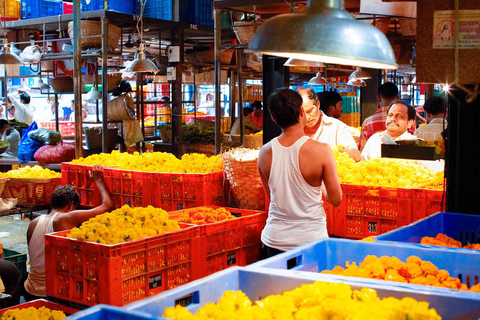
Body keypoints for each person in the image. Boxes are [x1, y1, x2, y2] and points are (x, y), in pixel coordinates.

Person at [257, 88, 342, 258]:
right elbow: (336, 199)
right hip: (310, 241)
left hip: (273, 241)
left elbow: (272, 196)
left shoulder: (264, 152)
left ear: (273, 118)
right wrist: (322, 184)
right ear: (301, 111)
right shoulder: (321, 151)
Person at [23, 165, 114, 301]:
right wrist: (98, 180)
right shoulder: (65, 218)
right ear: (71, 205)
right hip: (50, 292)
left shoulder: (33, 223)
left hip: (30, 289)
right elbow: (108, 206)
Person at [299, 88, 361, 162]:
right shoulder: (292, 129)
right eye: (301, 113)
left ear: (318, 104)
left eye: (310, 111)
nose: (307, 117)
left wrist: (330, 151)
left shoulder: (337, 127)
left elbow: (356, 156)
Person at [359, 82, 399, 151]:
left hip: (374, 161)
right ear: (397, 98)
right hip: (401, 161)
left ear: (378, 98)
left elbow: (362, 149)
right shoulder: (407, 121)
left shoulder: (367, 122)